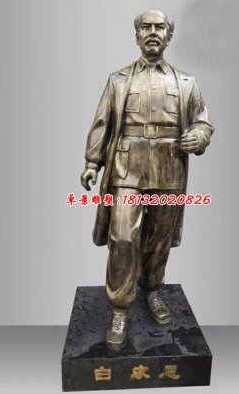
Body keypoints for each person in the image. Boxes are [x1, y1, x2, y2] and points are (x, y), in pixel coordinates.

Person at [80, 9, 214, 349]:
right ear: (137, 34)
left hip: (170, 168)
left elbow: (202, 121)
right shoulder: (118, 80)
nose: (153, 32)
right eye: (146, 27)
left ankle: (152, 289)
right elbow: (102, 123)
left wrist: (199, 137)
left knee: (159, 238)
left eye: (160, 27)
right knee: (122, 237)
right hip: (127, 167)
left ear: (169, 35)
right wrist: (92, 162)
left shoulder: (186, 83)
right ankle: (120, 307)